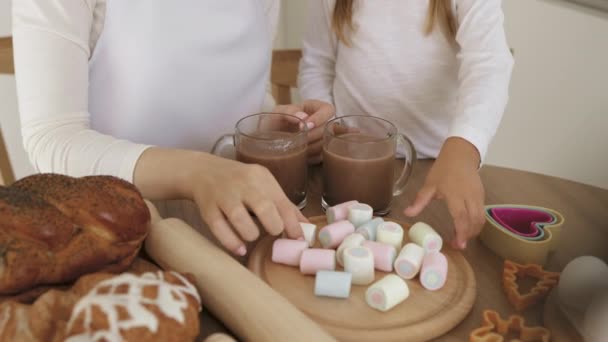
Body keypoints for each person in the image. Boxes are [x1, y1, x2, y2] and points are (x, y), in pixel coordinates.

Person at [12, 0, 334, 256]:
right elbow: (52, 140)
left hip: (239, 226)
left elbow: (238, 89)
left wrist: (269, 125)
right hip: (113, 238)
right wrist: (196, 172)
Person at [298, 0, 514, 249]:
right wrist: (327, 126)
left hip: (435, 176)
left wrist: (464, 150)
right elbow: (316, 66)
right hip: (346, 166)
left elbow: (489, 65)